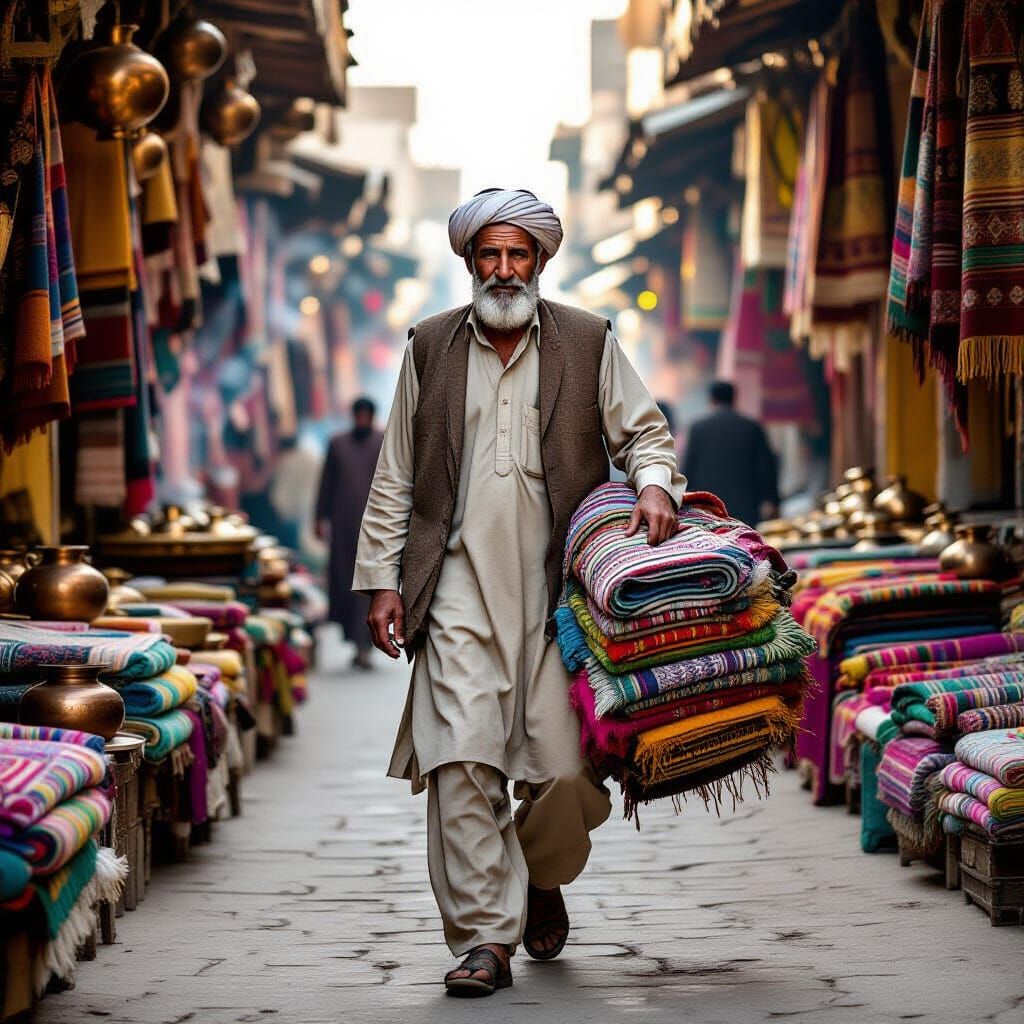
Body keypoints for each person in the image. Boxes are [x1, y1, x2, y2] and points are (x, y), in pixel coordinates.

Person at [353, 188, 685, 997]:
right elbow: (395, 472)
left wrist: (654, 485)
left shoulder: (587, 339)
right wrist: (381, 580)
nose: (504, 269)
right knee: (462, 763)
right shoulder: (430, 346)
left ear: (539, 261)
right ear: (469, 261)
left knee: (566, 773)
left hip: (558, 600)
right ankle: (483, 943)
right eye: (490, 255)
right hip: (456, 589)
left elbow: (644, 432)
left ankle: (540, 873)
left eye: (518, 254)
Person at [315, 398, 384, 670]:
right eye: (359, 416)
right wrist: (319, 518)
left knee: (371, 584)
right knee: (346, 582)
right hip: (344, 527)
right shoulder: (337, 444)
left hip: (376, 528)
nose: (362, 420)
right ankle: (356, 642)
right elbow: (326, 484)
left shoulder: (383, 442)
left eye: (367, 416)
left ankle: (365, 644)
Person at [682, 380, 779, 527]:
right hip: (746, 508)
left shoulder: (698, 428)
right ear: (734, 399)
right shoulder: (751, 427)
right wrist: (772, 500)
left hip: (709, 509)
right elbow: (766, 468)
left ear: (712, 399)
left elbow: (688, 469)